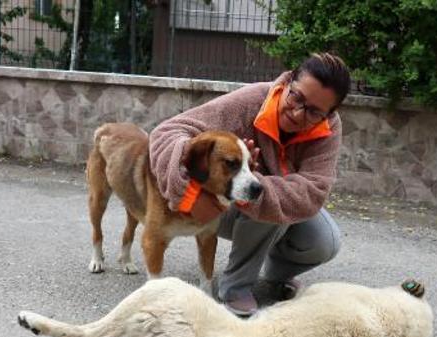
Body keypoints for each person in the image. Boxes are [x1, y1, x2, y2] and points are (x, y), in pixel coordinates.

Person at [149, 52, 351, 316]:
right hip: (226, 207)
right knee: (262, 198)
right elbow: (166, 133)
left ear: (329, 114)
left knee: (326, 241)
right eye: (296, 97)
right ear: (287, 82)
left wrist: (255, 182)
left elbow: (312, 192)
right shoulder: (250, 101)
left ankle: (275, 275)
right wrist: (189, 195)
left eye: (314, 112)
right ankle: (235, 287)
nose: (298, 112)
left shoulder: (329, 130)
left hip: (262, 204)